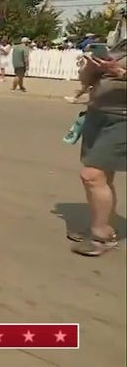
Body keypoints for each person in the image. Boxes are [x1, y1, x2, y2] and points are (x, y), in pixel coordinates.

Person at [69, 39, 127, 256]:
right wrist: (91, 67)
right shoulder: (119, 46)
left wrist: (119, 71)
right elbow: (86, 81)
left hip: (122, 120)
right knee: (103, 177)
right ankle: (102, 223)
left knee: (91, 175)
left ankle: (101, 235)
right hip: (97, 116)